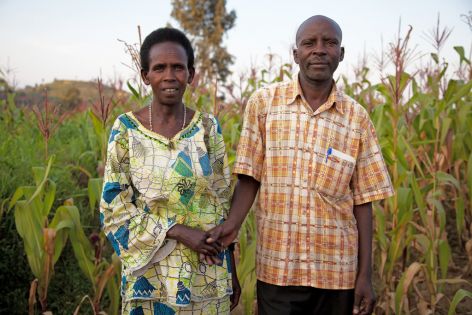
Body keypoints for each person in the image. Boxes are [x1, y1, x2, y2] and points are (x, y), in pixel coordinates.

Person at [205, 15, 394, 315]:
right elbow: (249, 178)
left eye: (329, 43)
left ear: (341, 54)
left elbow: (364, 201)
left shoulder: (357, 118)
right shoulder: (264, 104)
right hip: (278, 269)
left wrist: (365, 275)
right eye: (309, 43)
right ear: (296, 54)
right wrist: (232, 226)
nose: (319, 50)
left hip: (338, 272)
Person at [100, 27, 240, 315]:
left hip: (207, 275)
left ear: (191, 73)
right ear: (145, 76)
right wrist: (177, 231)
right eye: (159, 68)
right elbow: (113, 210)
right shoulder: (126, 130)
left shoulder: (207, 128)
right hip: (150, 280)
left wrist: (231, 271)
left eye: (178, 67)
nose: (169, 76)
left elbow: (222, 202)